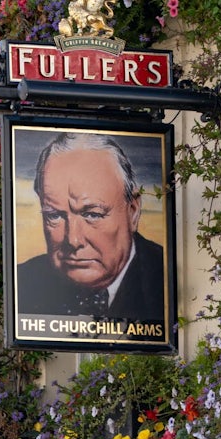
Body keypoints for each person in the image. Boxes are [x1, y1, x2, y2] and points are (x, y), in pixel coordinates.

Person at [16, 131, 166, 321]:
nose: (73, 240)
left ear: (133, 211)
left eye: (92, 214)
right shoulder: (23, 283)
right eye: (54, 216)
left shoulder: (166, 278)